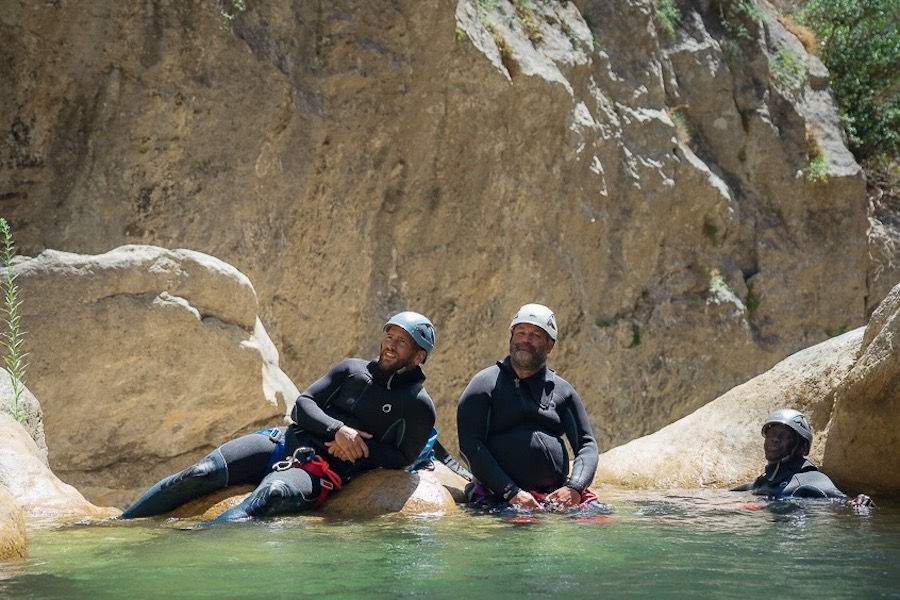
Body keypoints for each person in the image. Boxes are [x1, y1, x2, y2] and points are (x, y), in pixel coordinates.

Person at [121, 311, 438, 522]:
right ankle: (117, 527)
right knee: (197, 474)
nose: (389, 346)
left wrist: (356, 448)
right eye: (389, 337)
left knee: (268, 498)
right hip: (279, 441)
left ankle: (190, 553)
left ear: (419, 355)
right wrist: (338, 430)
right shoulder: (351, 370)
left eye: (401, 342)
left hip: (321, 470)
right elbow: (302, 405)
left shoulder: (418, 405)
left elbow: (404, 456)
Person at [456, 303, 604, 513]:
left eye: (536, 335)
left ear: (550, 345)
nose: (526, 340)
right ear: (511, 337)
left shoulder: (562, 391)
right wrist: (511, 492)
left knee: (601, 522)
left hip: (556, 495)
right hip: (499, 496)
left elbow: (587, 445)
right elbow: (470, 445)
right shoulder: (484, 385)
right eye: (521, 332)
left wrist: (575, 487)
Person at [731, 408, 874, 507]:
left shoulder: (810, 478)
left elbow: (842, 500)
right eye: (771, 434)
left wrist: (859, 502)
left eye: (785, 435)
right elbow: (745, 489)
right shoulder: (764, 480)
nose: (775, 439)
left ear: (802, 447)